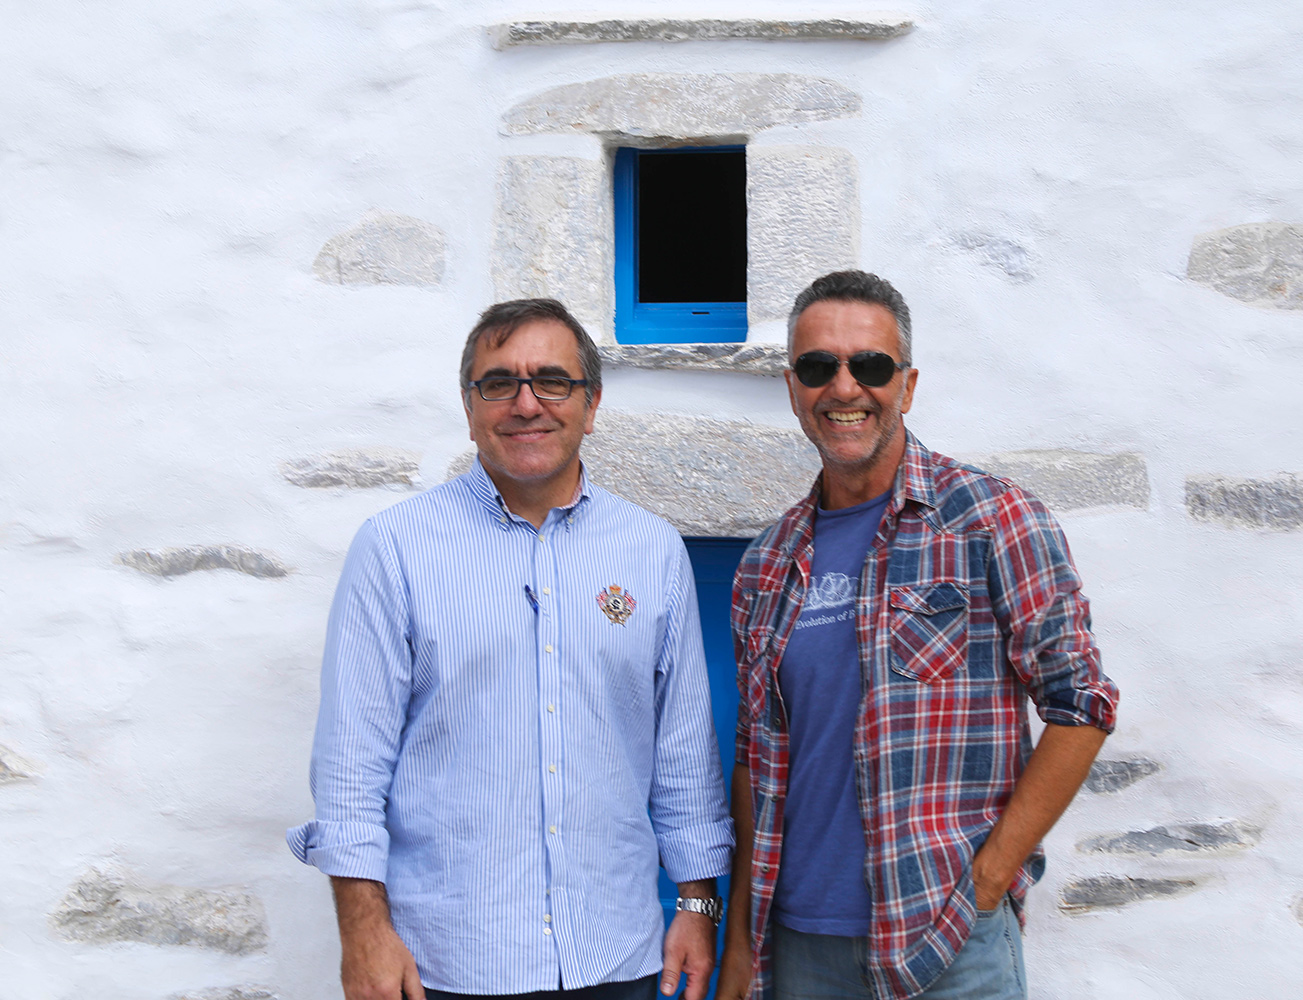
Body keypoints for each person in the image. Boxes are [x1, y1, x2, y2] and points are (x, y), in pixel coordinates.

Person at [288, 299, 733, 1000]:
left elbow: (683, 756)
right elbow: (351, 763)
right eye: (499, 383)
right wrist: (363, 932)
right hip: (450, 963)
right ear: (469, 408)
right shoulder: (395, 549)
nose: (527, 404)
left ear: (591, 405)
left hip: (616, 954)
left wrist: (698, 906)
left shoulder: (652, 550)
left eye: (552, 380)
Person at [716, 272, 1119, 1000]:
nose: (844, 387)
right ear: (793, 387)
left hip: (947, 941)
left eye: (870, 365)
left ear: (906, 385)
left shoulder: (992, 520)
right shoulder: (766, 563)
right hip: (800, 949)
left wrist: (990, 878)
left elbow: (1082, 703)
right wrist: (742, 940)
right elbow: (755, 757)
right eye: (818, 366)